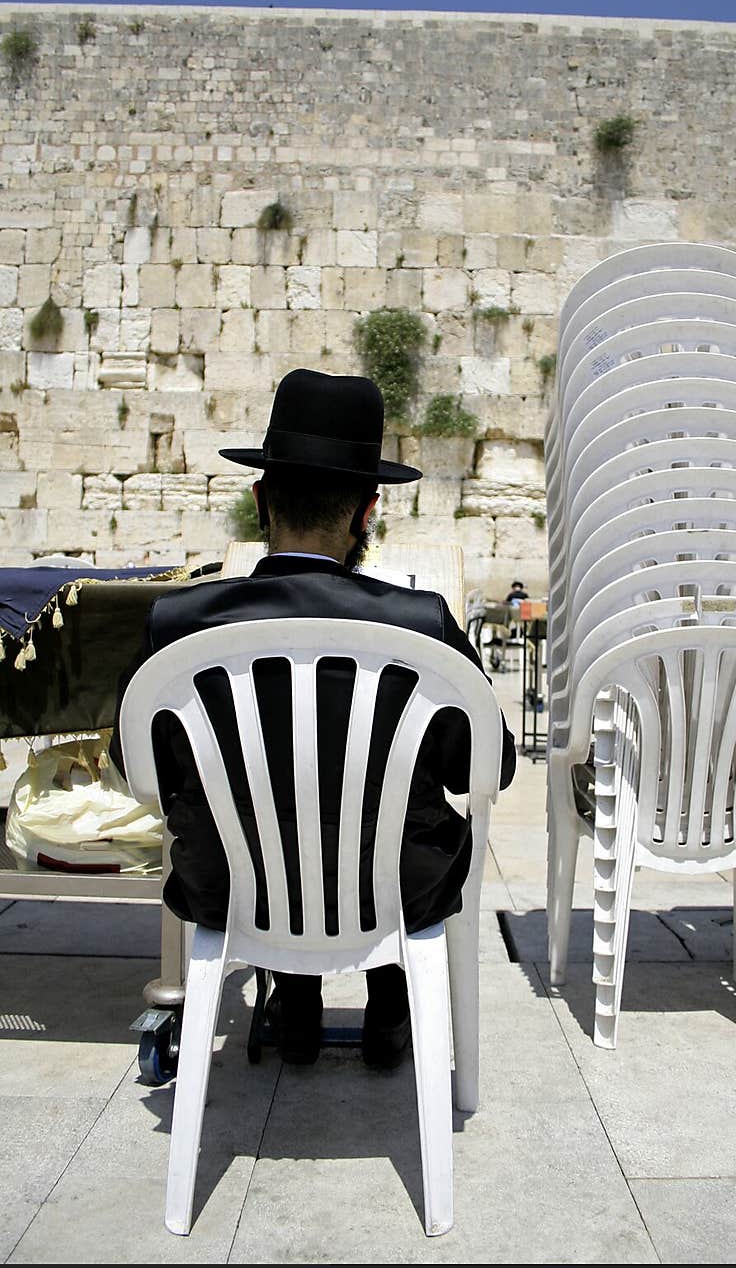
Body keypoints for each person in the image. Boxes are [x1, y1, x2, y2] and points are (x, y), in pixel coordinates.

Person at [110, 368, 516, 1070]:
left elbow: (135, 766)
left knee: (273, 815)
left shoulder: (175, 626)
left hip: (233, 889)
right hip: (393, 893)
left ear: (261, 500)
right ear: (368, 511)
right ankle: (390, 1006)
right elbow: (489, 766)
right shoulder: (422, 628)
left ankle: (294, 1005)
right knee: (389, 825)